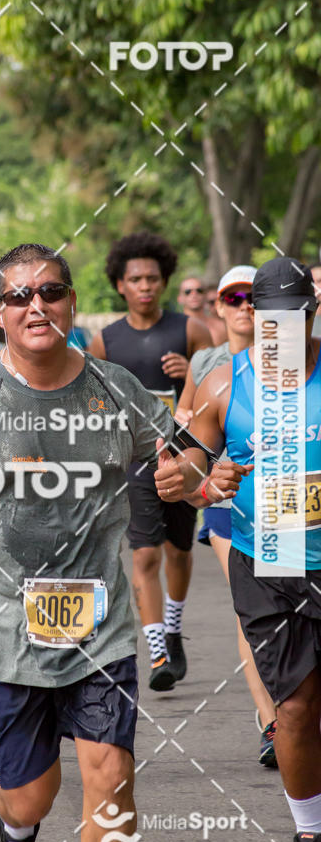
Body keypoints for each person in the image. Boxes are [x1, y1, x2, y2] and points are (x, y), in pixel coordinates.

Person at [0, 242, 218, 842]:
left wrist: (188, 476)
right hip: (3, 625)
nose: (36, 305)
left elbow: (186, 453)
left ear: (71, 304)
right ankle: (15, 835)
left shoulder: (113, 387)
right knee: (31, 796)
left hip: (100, 623)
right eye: (19, 296)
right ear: (1, 315)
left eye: (51, 292)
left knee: (110, 775)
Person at [182, 257, 321, 842]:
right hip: (269, 562)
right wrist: (207, 484)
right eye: (273, 324)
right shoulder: (221, 386)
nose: (284, 336)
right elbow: (179, 478)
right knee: (294, 709)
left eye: (297, 321)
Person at [88, 231, 212, 691]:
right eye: (135, 279)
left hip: (186, 458)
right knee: (144, 552)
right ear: (120, 284)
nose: (145, 286)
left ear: (164, 281)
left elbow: (218, 393)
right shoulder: (105, 341)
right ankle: (157, 649)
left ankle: (174, 629)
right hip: (135, 461)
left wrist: (191, 375)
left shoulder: (192, 331)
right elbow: (95, 406)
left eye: (153, 278)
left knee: (178, 551)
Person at [176, 265, 278, 767]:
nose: (242, 305)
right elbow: (187, 434)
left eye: (251, 296)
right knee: (253, 598)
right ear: (219, 305)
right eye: (232, 296)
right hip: (227, 501)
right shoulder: (208, 363)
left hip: (285, 503)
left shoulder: (297, 355)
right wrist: (191, 470)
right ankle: (270, 719)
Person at [177, 274, 227, 345]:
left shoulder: (221, 327)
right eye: (188, 292)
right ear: (179, 298)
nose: (194, 294)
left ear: (206, 295)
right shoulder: (173, 328)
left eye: (199, 291)